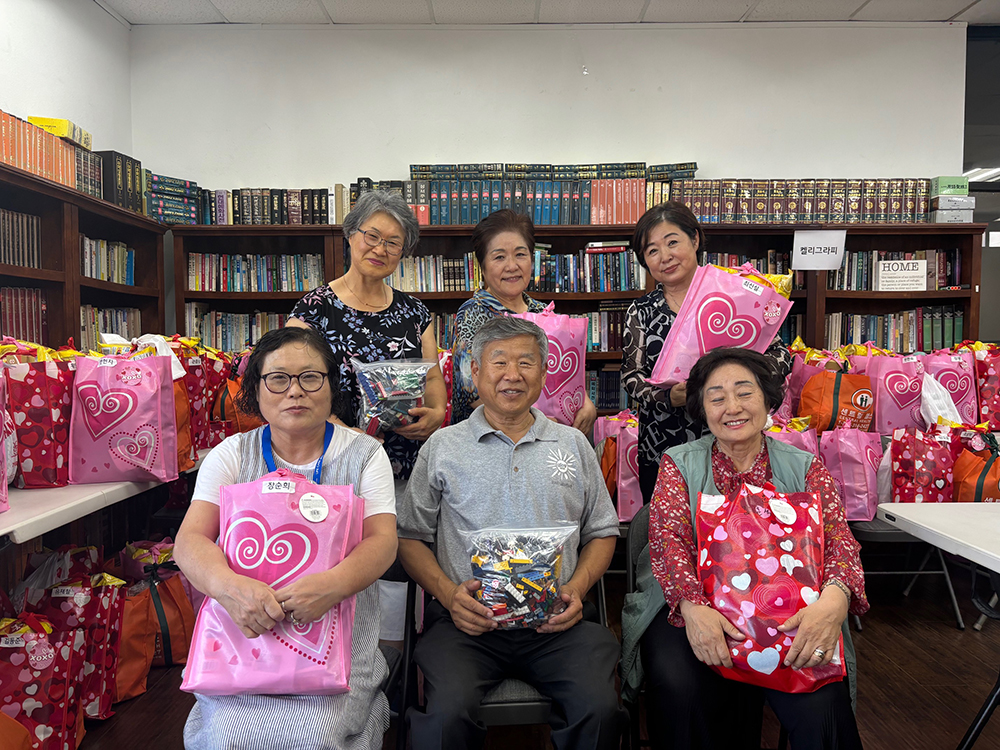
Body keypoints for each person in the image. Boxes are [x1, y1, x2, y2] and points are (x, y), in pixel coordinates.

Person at [621, 348, 868, 750]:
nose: (732, 407)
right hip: (689, 602)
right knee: (680, 684)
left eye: (744, 392)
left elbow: (840, 542)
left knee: (822, 702)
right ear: (702, 409)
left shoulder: (804, 466)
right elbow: (669, 542)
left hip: (789, 610)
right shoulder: (679, 463)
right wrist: (693, 608)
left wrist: (833, 603)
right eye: (716, 397)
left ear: (768, 400)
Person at [397, 316, 625, 749]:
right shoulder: (443, 446)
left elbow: (602, 531)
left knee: (599, 708)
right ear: (475, 371)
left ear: (544, 371)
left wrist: (577, 589)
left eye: (526, 362)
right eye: (499, 362)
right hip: (467, 626)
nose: (512, 375)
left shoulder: (573, 444)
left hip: (557, 623)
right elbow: (410, 536)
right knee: (444, 716)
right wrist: (449, 596)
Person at [175, 326, 398, 750]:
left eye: (310, 377)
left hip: (337, 644)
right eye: (277, 378)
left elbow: (382, 541)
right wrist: (229, 588)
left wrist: (333, 585)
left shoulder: (365, 454)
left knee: (316, 736)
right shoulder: (231, 455)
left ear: (332, 387)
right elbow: (189, 542)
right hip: (242, 642)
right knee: (226, 737)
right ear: (256, 390)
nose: (294, 391)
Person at [621, 201, 793, 502]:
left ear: (695, 239)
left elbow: (781, 356)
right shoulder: (641, 310)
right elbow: (631, 378)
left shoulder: (735, 294)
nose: (665, 256)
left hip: (736, 442)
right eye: (652, 250)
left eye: (672, 242)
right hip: (663, 447)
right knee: (670, 526)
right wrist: (668, 396)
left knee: (741, 524)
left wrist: (740, 379)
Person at [287, 189, 447, 481]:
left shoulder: (415, 312)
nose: (380, 249)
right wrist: (341, 430)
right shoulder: (313, 309)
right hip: (332, 460)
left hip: (402, 462)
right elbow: (293, 383)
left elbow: (433, 376)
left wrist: (436, 412)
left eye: (393, 243)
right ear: (351, 234)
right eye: (372, 236)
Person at [451, 209, 597, 435]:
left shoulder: (543, 311)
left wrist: (584, 402)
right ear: (482, 266)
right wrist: (532, 420)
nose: (512, 266)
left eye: (520, 254)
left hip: (548, 434)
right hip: (489, 437)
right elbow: (469, 389)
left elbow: (560, 375)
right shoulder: (472, 313)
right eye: (499, 257)